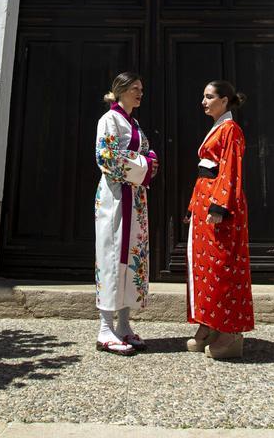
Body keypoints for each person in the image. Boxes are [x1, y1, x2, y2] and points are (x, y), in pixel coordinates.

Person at [186, 79, 254, 359]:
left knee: (223, 265)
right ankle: (208, 322)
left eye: (210, 96)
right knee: (204, 266)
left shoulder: (231, 130)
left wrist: (219, 206)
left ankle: (230, 330)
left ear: (225, 101)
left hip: (219, 203)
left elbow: (230, 169)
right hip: (205, 201)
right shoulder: (217, 128)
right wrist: (194, 206)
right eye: (203, 96)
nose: (204, 101)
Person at [93, 71, 159, 355]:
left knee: (132, 255)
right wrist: (145, 165)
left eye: (141, 89)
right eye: (135, 88)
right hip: (116, 197)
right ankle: (105, 328)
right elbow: (106, 157)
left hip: (135, 199)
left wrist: (148, 162)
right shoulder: (108, 120)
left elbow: (146, 155)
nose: (140, 93)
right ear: (120, 90)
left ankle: (123, 324)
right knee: (111, 254)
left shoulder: (133, 122)